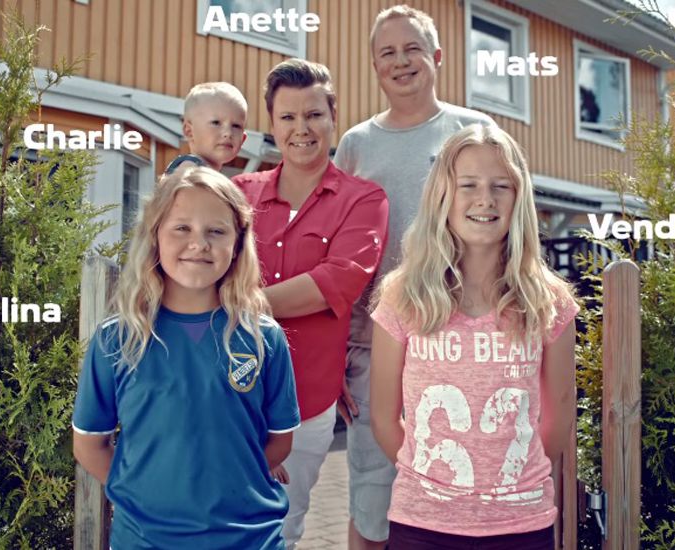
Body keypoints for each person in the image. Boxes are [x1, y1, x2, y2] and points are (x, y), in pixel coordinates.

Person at [332, 5, 496, 548]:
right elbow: (337, 252)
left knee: (461, 484)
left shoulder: (474, 131)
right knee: (373, 491)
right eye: (387, 52)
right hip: (371, 344)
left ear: (437, 58)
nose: (401, 61)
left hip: (461, 340)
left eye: (412, 49)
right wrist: (334, 358)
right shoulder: (356, 144)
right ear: (374, 66)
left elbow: (507, 229)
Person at [369, 124, 578, 549]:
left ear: (519, 198)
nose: (485, 199)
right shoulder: (402, 296)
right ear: (443, 196)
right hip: (423, 524)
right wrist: (433, 480)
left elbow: (558, 421)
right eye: (469, 185)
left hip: (520, 524)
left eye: (501, 185)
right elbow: (384, 418)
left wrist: (508, 484)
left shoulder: (549, 301)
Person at [71, 166, 301, 549]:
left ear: (238, 244)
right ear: (154, 236)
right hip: (145, 540)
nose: (199, 243)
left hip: (249, 540)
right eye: (182, 228)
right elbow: (89, 446)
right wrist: (147, 498)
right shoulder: (117, 339)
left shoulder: (264, 339)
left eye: (216, 231)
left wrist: (226, 479)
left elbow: (279, 442)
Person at [233, 58, 389, 549]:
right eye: (288, 117)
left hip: (306, 400)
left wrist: (238, 304)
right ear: (272, 123)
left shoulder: (364, 200)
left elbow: (335, 283)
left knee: (283, 523)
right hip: (226, 390)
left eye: (314, 115)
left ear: (333, 116)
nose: (302, 129)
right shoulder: (238, 195)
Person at [164, 82, 248, 174]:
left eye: (236, 126)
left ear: (243, 139)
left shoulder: (207, 175)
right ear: (189, 131)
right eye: (216, 123)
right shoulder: (189, 173)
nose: (228, 133)